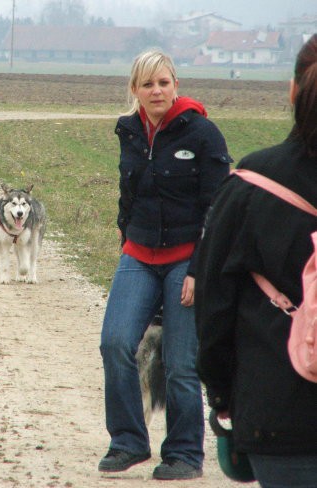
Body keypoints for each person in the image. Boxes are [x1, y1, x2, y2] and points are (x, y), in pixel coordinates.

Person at [98, 50, 232, 480]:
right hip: (138, 254)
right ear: (134, 89)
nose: (157, 91)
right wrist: (125, 238)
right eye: (147, 84)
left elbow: (217, 207)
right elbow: (128, 192)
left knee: (179, 362)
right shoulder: (129, 130)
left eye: (164, 83)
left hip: (186, 259)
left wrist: (198, 268)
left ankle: (184, 454)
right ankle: (128, 442)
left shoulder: (203, 133)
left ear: (176, 84)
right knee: (115, 343)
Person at [195, 34, 317, 486]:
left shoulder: (252, 185)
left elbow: (214, 306)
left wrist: (222, 395)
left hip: (280, 413)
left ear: (293, 91)